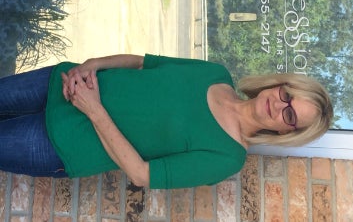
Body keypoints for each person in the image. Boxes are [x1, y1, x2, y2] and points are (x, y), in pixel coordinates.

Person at [0, 54, 334, 187]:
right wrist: (93, 64)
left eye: (289, 115)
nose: (279, 105)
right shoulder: (216, 73)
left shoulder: (228, 156)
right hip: (63, 83)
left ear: (283, 132)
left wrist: (94, 110)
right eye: (287, 94)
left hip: (62, 145)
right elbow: (143, 62)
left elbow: (141, 174)